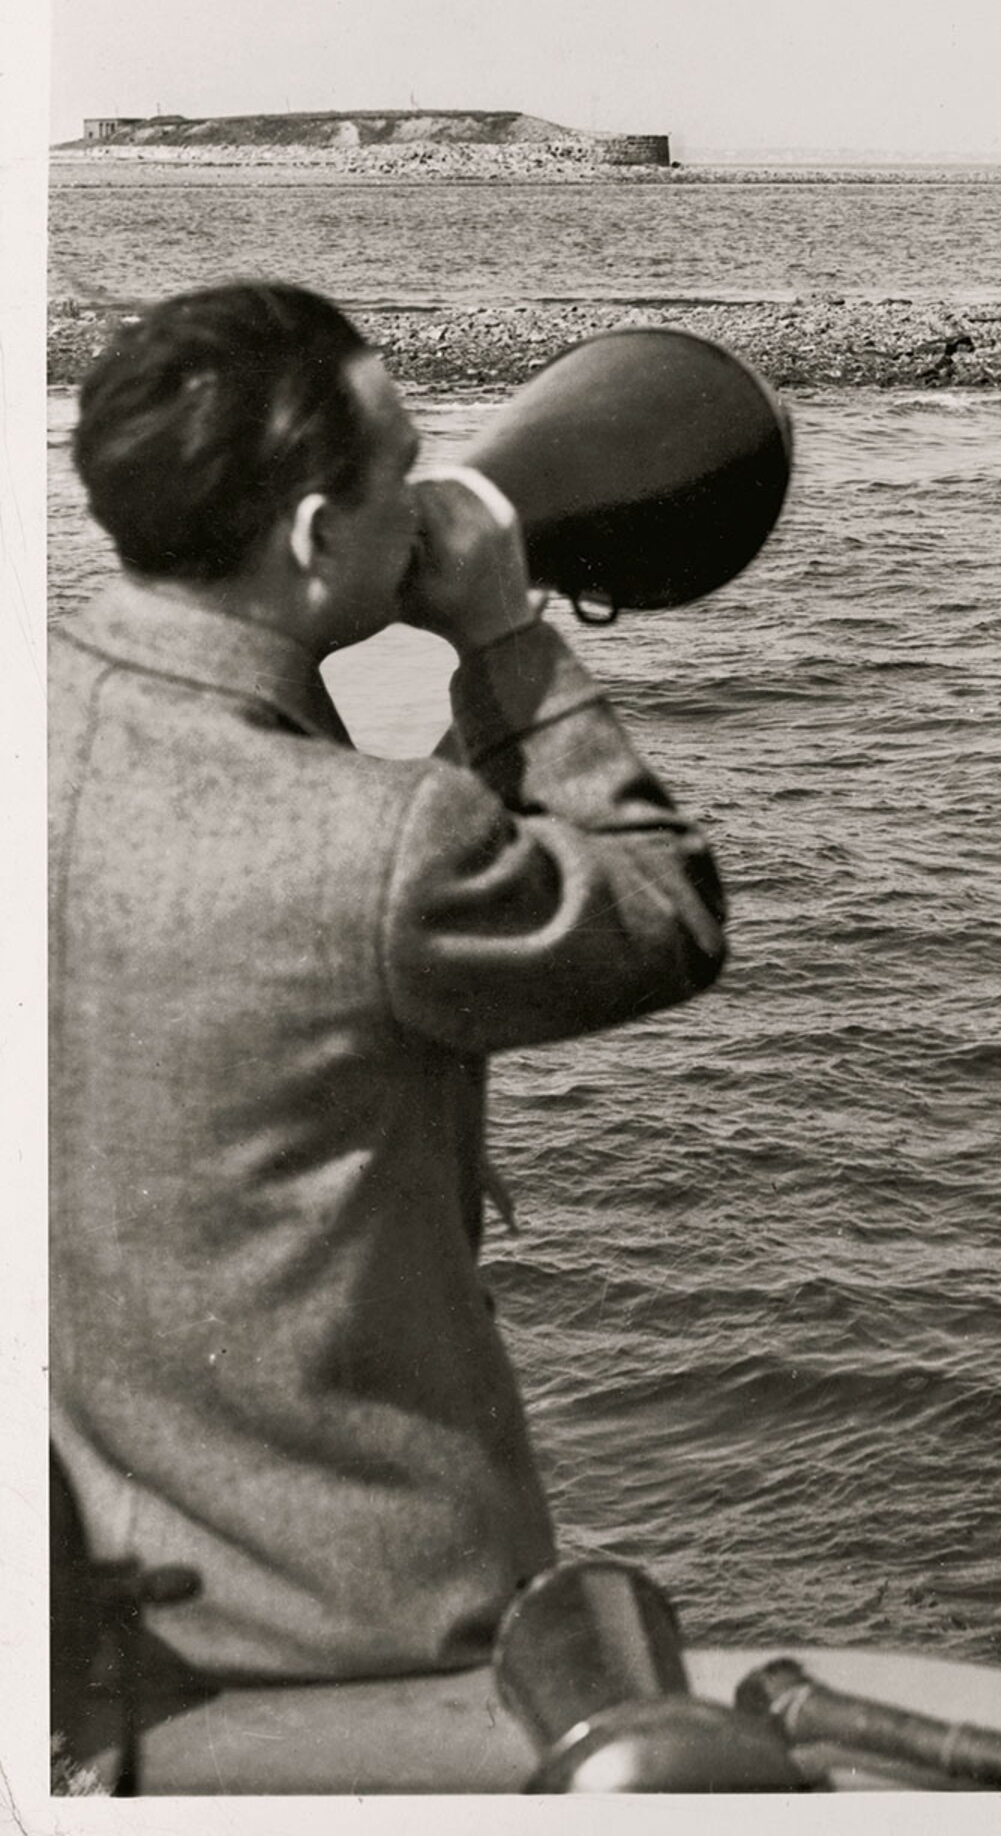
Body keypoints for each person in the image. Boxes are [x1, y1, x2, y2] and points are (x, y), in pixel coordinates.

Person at [49, 281, 729, 1687]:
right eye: (404, 472)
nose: (428, 504)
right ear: (313, 536)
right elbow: (660, 918)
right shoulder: (383, 847)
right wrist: (505, 641)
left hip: (76, 1588)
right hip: (353, 1613)